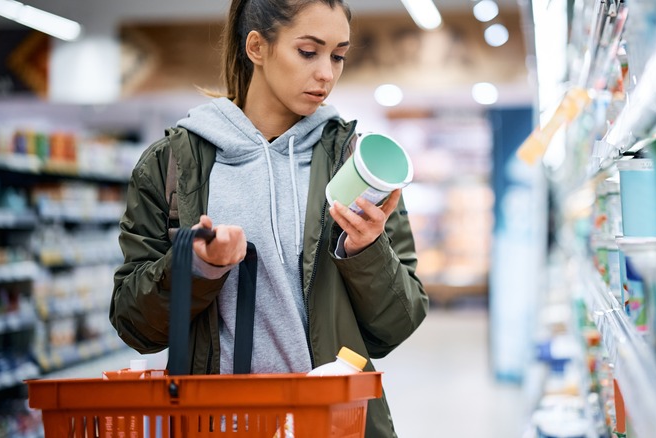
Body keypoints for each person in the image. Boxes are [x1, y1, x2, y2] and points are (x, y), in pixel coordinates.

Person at [110, 0, 429, 436]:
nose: (326, 74)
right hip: (217, 424)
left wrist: (365, 251)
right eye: (308, 51)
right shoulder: (171, 165)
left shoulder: (355, 162)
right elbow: (134, 323)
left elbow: (397, 325)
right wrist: (201, 266)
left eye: (338, 55)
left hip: (333, 423)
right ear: (257, 47)